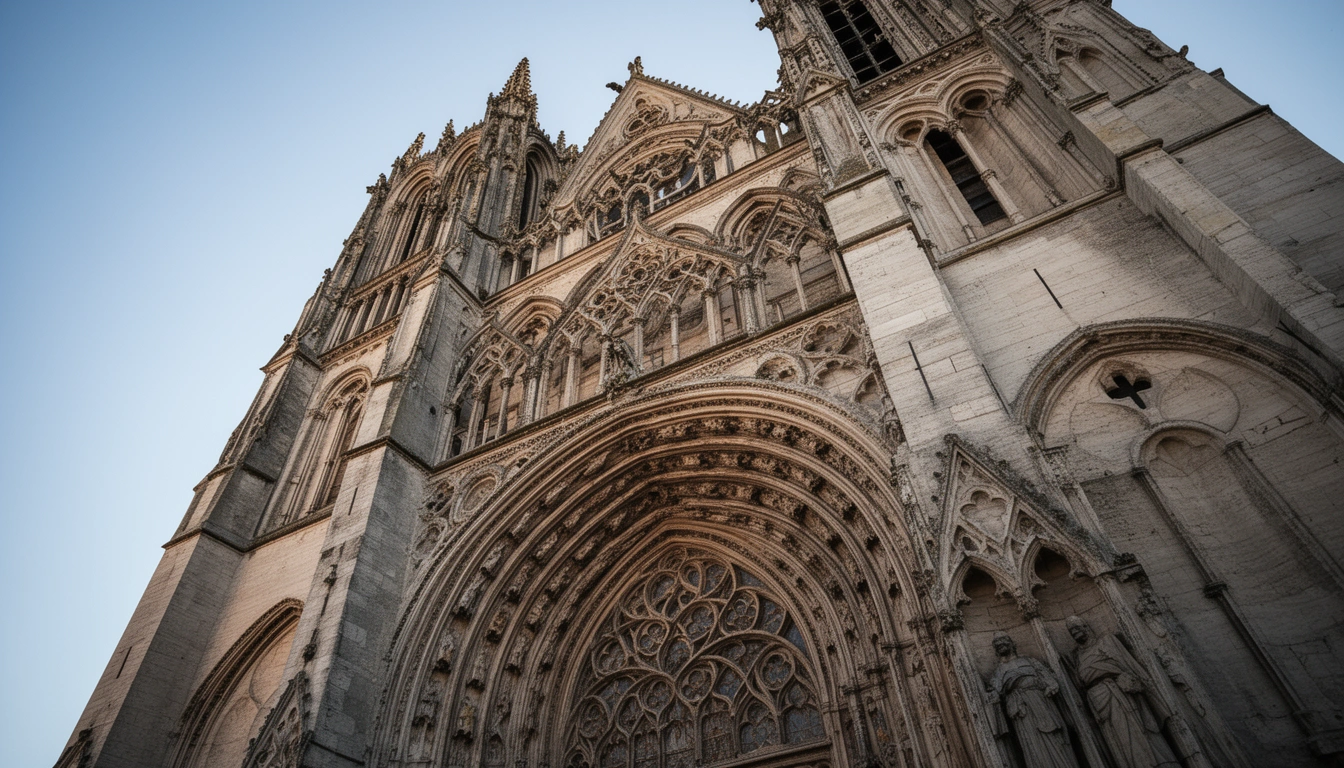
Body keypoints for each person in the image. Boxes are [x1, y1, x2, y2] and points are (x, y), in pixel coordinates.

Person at [1066, 616, 1178, 768]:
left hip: (1118, 691)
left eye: (1077, 628)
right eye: (1072, 631)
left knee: (1138, 730)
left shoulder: (1106, 641)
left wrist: (1128, 679)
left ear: (1086, 627)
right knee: (1118, 740)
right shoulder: (1077, 656)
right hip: (1099, 699)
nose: (1075, 632)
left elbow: (1126, 664)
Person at [988, 632, 1081, 768]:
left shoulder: (1030, 661)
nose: (1000, 644)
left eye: (1003, 640)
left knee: (1055, 738)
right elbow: (995, 692)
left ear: (1012, 644)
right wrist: (994, 696)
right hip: (1021, 712)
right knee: (1033, 745)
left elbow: (1050, 679)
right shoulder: (998, 672)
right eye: (996, 644)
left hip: (1041, 703)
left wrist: (1050, 686)